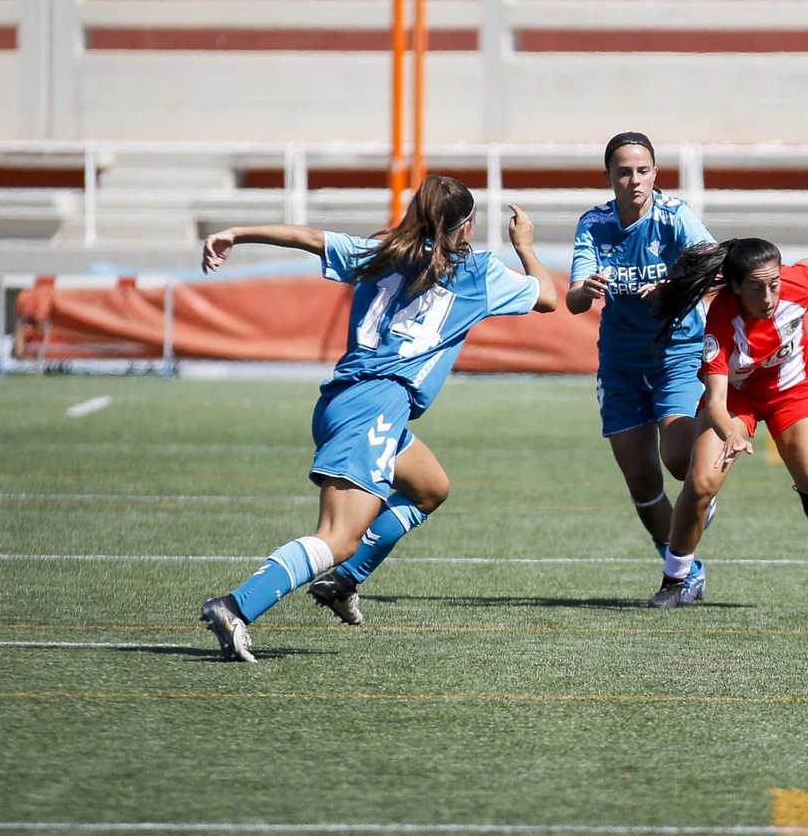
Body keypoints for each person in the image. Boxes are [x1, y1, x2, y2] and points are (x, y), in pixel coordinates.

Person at [197, 176, 558, 661]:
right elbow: (550, 296)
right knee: (337, 536)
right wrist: (526, 246)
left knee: (429, 488)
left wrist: (235, 233)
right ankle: (237, 606)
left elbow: (309, 237)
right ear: (466, 229)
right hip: (376, 406)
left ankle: (343, 582)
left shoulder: (380, 250)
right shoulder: (478, 273)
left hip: (344, 399)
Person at [644, 238, 808, 609]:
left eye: (773, 285)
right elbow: (716, 402)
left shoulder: (795, 286)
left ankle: (807, 489)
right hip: (736, 398)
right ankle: (675, 579)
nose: (768, 296)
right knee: (700, 482)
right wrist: (732, 433)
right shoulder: (720, 322)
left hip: (792, 388)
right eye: (756, 288)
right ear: (735, 287)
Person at [567, 132, 718, 587]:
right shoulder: (593, 224)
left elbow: (715, 266)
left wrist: (675, 285)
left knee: (679, 461)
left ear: (655, 173)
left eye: (643, 170)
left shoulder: (675, 217)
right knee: (642, 483)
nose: (634, 180)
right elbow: (573, 300)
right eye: (624, 172)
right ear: (609, 177)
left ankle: (703, 494)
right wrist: (585, 290)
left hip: (677, 352)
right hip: (620, 364)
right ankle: (683, 568)